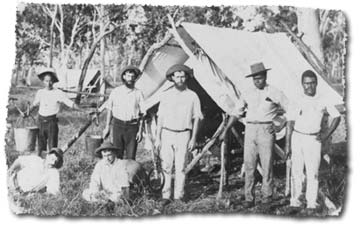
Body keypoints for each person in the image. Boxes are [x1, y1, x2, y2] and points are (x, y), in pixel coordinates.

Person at [219, 62, 289, 208]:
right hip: (250, 129)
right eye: (255, 79)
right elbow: (236, 112)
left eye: (260, 78)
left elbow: (290, 110)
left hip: (266, 129)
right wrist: (226, 130)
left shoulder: (274, 92)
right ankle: (249, 198)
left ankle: (267, 197)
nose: (258, 81)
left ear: (265, 76)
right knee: (249, 164)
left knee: (267, 164)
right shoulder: (247, 92)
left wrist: (280, 125)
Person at [286, 70, 341, 210]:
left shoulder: (323, 99)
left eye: (312, 83)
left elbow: (337, 116)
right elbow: (290, 122)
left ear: (316, 84)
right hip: (297, 137)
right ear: (302, 84)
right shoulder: (296, 99)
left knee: (313, 173)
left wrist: (325, 135)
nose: (309, 86)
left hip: (313, 140)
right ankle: (295, 200)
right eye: (306, 83)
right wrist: (287, 145)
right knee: (296, 171)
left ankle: (311, 202)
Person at [155, 64, 203, 206]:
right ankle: (166, 195)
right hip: (167, 133)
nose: (180, 79)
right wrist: (158, 137)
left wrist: (193, 138)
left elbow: (197, 118)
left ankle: (179, 196)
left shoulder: (192, 96)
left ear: (186, 77)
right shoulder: (165, 95)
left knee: (181, 166)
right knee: (166, 165)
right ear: (172, 78)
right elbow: (160, 118)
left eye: (183, 76)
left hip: (184, 134)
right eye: (177, 76)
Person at [27, 67, 80, 156]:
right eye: (46, 81)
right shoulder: (40, 92)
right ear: (43, 81)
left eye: (51, 81)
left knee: (52, 147)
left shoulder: (58, 93)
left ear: (54, 81)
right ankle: (41, 165)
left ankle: (52, 165)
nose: (48, 83)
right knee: (41, 147)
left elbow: (69, 103)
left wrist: (80, 108)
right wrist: (27, 112)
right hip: (40, 121)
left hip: (51, 122)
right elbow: (34, 104)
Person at [102, 65, 144, 160]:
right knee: (117, 155)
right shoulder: (116, 91)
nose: (130, 79)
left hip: (132, 127)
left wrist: (140, 130)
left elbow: (142, 113)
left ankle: (129, 174)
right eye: (128, 76)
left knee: (131, 156)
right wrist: (107, 127)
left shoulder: (138, 93)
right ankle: (117, 174)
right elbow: (110, 109)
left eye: (133, 77)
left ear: (135, 78)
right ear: (124, 77)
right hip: (118, 125)